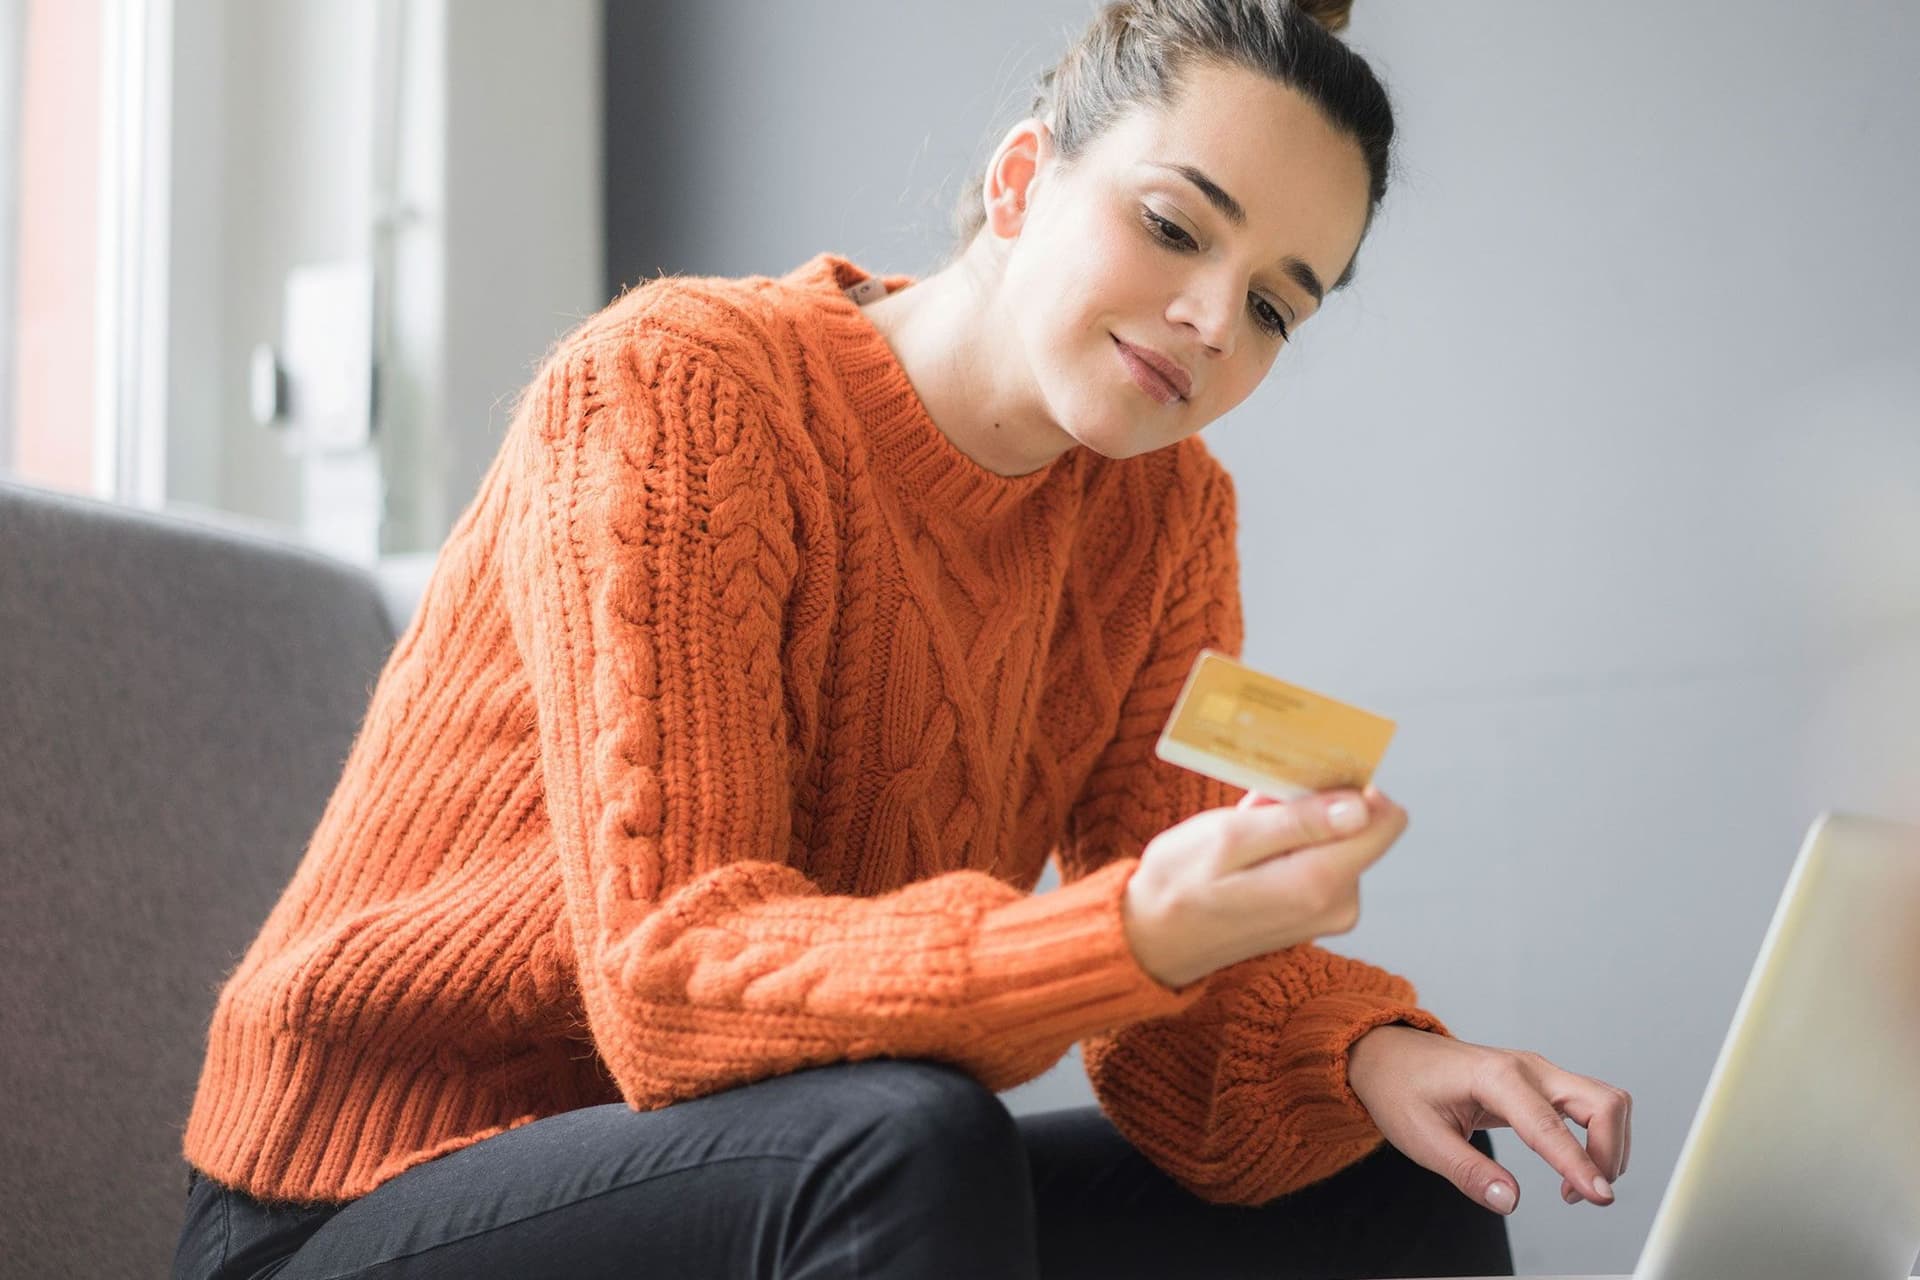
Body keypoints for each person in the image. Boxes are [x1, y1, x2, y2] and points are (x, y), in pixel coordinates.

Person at [172, 1, 1631, 1276]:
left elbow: (1173, 1028)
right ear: (1019, 181)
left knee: (1394, 1191)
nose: (1207, 322)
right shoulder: (681, 389)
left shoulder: (1166, 518)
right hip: (360, 1197)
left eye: (1270, 309)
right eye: (1174, 227)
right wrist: (1128, 928)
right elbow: (674, 990)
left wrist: (1376, 1054)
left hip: (770, 1173)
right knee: (906, 1140)